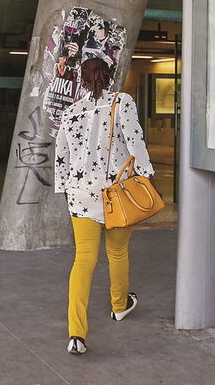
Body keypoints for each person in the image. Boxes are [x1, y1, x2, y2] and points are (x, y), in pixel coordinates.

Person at [53, 57, 155, 355]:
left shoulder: (71, 111)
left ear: (82, 80)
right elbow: (135, 141)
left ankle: (76, 333)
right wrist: (146, 175)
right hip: (115, 193)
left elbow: (61, 153)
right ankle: (119, 305)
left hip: (80, 193)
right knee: (117, 252)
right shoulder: (121, 102)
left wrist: (66, 188)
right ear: (109, 76)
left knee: (83, 259)